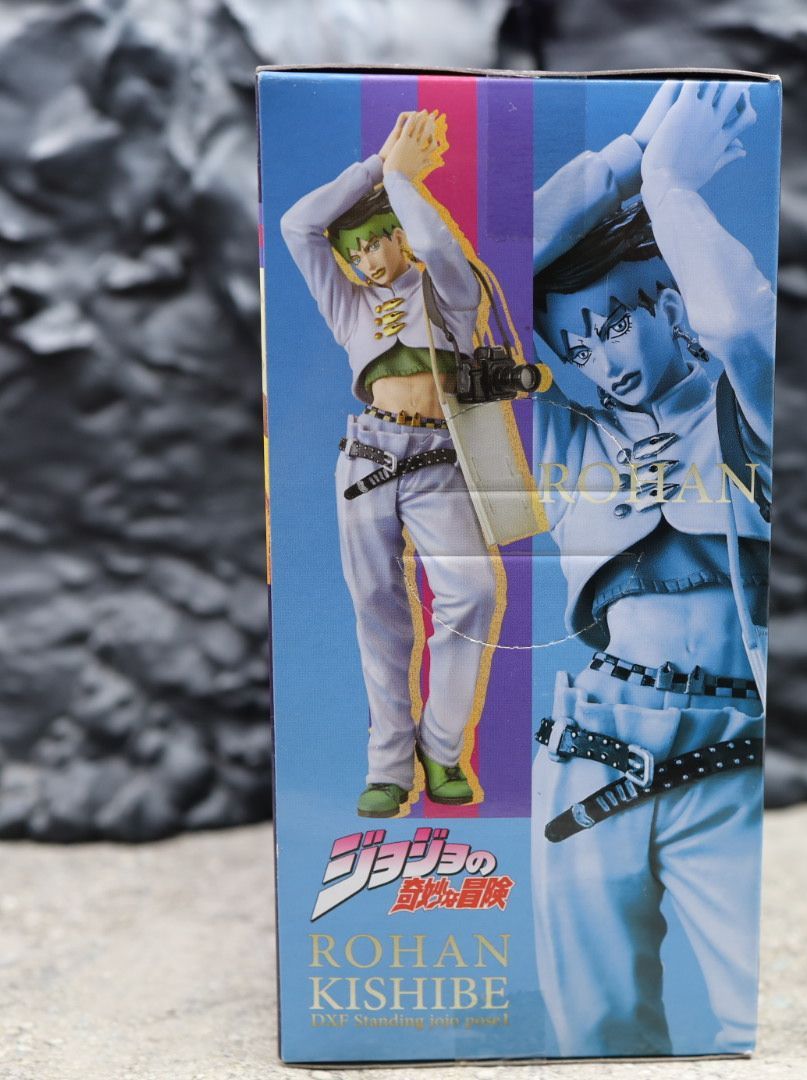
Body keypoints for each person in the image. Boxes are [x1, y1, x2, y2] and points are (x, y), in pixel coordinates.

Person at [531, 81, 776, 1055]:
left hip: (732, 748)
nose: (602, 356)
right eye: (576, 342)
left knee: (753, 1010)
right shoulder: (563, 442)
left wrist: (672, 186)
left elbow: (744, 325)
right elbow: (459, 291)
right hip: (591, 748)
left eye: (617, 320)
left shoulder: (744, 404)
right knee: (593, 1035)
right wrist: (625, 159)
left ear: (671, 304)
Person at [280, 110, 501, 818]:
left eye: (378, 241)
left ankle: (443, 749)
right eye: (357, 251)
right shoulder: (350, 305)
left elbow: (436, 243)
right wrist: (376, 165)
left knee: (472, 594)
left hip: (438, 458)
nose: (370, 260)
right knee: (377, 611)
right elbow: (297, 226)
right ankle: (387, 766)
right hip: (368, 454)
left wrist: (403, 181)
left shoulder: (449, 289)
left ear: (398, 233)